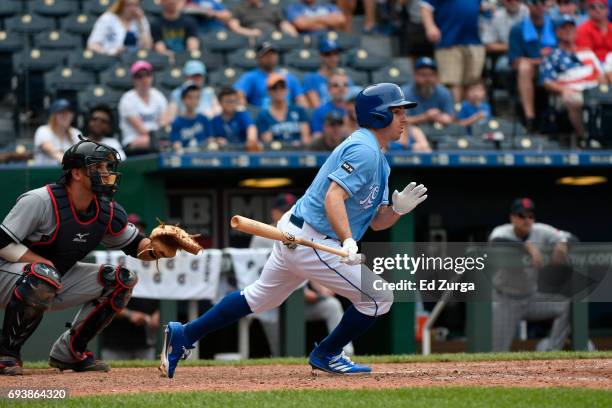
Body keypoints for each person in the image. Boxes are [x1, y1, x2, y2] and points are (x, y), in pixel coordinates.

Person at [160, 83, 428, 378]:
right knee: (379, 297)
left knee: (261, 297)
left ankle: (184, 334)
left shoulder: (379, 159)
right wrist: (348, 239)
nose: (405, 118)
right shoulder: (364, 150)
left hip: (299, 231)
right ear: (378, 116)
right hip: (312, 238)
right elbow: (333, 197)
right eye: (398, 111)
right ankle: (327, 353)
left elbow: (378, 222)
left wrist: (397, 211)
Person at [0, 138, 174, 375]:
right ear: (76, 173)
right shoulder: (40, 200)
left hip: (49, 278)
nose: (105, 173)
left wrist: (158, 248)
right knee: (44, 274)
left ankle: (70, 352)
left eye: (106, 167)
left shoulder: (105, 209)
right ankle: (6, 353)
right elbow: (2, 242)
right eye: (98, 167)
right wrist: (39, 262)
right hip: (7, 273)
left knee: (122, 279)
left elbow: (135, 245)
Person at [249, 193, 354, 357]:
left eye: (288, 209)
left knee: (331, 305)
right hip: (273, 301)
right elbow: (261, 273)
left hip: (300, 301)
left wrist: (321, 289)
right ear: (274, 213)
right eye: (282, 210)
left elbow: (311, 266)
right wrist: (304, 293)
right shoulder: (262, 236)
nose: (286, 212)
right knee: (280, 349)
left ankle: (345, 352)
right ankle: (281, 364)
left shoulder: (303, 233)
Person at [489, 198, 571, 352]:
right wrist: (527, 247)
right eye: (521, 216)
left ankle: (552, 350)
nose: (527, 220)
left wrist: (562, 244)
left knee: (567, 304)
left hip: (532, 297)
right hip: (506, 300)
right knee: (497, 351)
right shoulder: (502, 231)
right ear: (512, 218)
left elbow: (570, 237)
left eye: (530, 216)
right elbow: (496, 241)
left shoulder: (541, 230)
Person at [101, 214, 160, 360]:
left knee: (147, 379)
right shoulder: (111, 260)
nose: (138, 235)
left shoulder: (152, 262)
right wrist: (129, 314)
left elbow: (163, 291)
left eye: (140, 231)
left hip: (144, 338)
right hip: (115, 339)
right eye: (134, 231)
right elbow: (102, 300)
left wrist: (157, 314)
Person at [540, 14, 605, 142]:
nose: (568, 31)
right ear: (557, 32)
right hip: (571, 92)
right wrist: (564, 90)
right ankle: (585, 137)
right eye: (564, 28)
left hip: (593, 90)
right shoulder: (552, 55)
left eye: (571, 27)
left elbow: (601, 76)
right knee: (573, 99)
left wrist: (603, 91)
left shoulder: (587, 52)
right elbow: (547, 82)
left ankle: (605, 136)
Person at [420, 0, 485, 102]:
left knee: (473, 84)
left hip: (474, 41)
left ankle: (467, 115)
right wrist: (430, 27)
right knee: (451, 83)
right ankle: (452, 115)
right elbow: (425, 6)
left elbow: (482, 6)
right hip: (448, 40)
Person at [508, 0, 557, 131]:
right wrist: (539, 61)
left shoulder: (556, 25)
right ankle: (530, 116)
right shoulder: (518, 29)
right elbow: (515, 62)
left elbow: (566, 52)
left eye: (543, 2)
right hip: (534, 71)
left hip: (556, 68)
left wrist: (544, 61)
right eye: (535, 2)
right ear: (528, 6)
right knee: (524, 67)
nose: (539, 6)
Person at [234, 42, 307, 108]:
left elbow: (301, 100)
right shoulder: (250, 77)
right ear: (258, 57)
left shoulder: (287, 76)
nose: (270, 57)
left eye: (273, 54)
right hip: (261, 118)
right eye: (266, 55)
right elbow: (239, 95)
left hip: (288, 118)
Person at [118, 60, 170, 151]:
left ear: (152, 77)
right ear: (133, 79)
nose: (144, 79)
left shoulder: (158, 95)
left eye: (147, 75)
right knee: (153, 141)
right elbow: (141, 130)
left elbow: (163, 122)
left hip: (157, 139)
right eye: (139, 76)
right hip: (134, 141)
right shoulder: (127, 99)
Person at [256, 73, 311, 145]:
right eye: (274, 88)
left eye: (282, 87)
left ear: (287, 90)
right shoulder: (263, 116)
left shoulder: (299, 111)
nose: (279, 90)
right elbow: (268, 144)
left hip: (299, 152)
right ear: (268, 92)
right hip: (276, 154)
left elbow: (305, 139)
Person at [402, 57, 454, 126]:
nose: (428, 79)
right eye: (423, 75)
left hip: (438, 133)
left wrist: (437, 117)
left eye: (431, 74)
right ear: (415, 75)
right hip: (412, 133)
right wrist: (425, 117)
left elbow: (449, 118)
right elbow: (402, 121)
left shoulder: (444, 92)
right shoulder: (405, 93)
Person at [87, 0, 152, 56]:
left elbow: (147, 47)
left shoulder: (141, 19)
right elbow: (92, 45)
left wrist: (140, 24)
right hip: (109, 58)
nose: (133, 8)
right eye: (129, 5)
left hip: (134, 59)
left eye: (136, 5)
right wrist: (111, 52)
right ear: (121, 5)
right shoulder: (107, 18)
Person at [481, 0, 529, 75]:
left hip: (530, 54)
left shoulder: (528, 12)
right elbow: (487, 45)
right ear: (504, 1)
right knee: (502, 65)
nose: (513, 2)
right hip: (507, 55)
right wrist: (513, 47)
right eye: (509, 0)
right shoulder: (496, 16)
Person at [302, 39, 352, 109]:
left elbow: (349, 104)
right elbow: (317, 107)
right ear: (321, 56)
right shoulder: (311, 78)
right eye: (328, 54)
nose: (333, 58)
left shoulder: (345, 78)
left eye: (336, 54)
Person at [33, 99, 81, 166]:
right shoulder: (43, 130)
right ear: (53, 116)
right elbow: (53, 152)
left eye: (69, 112)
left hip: (67, 174)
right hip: (44, 174)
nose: (66, 115)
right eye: (61, 112)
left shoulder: (75, 132)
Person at [170, 82, 212, 152]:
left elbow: (210, 139)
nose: (193, 101)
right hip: (185, 158)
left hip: (203, 156)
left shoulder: (204, 119)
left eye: (196, 98)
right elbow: (176, 143)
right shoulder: (177, 122)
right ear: (183, 99)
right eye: (190, 97)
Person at [310, 71, 349, 139]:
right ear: (328, 89)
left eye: (345, 85)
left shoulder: (356, 111)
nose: (341, 89)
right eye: (335, 85)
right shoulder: (320, 112)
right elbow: (317, 137)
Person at [228, 0, 298, 37]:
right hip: (252, 38)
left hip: (273, 35)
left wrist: (294, 36)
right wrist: (250, 33)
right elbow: (234, 27)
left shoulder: (271, 7)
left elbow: (284, 24)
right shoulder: (239, 8)